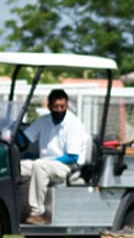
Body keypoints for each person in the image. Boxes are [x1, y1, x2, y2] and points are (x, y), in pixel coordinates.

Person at [19, 88, 91, 224]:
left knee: (40, 166)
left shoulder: (73, 124)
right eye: (55, 106)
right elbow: (25, 138)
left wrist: (46, 161)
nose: (59, 110)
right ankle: (17, 208)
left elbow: (72, 157)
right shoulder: (43, 121)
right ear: (49, 106)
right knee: (17, 166)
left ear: (67, 106)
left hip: (66, 166)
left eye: (62, 106)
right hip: (45, 164)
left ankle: (37, 214)